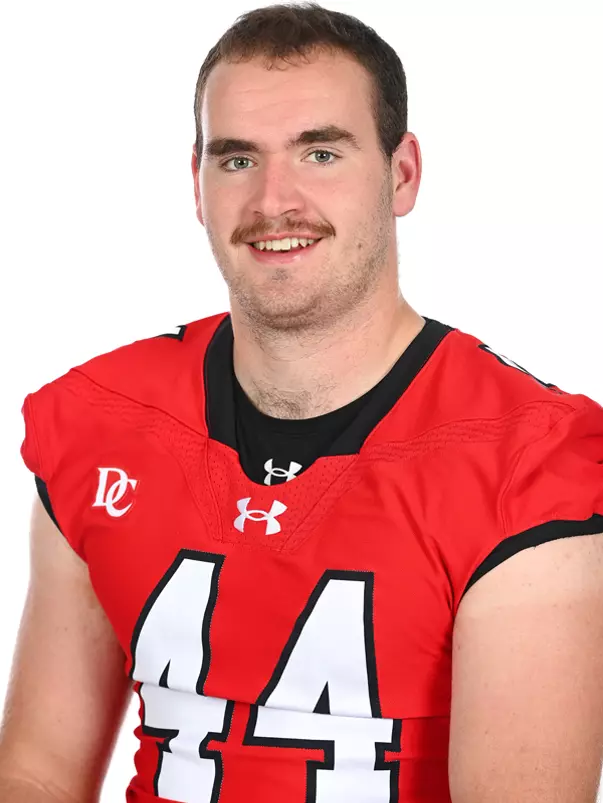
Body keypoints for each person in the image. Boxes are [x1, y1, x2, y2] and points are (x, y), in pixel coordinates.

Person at [2, 2, 603, 801]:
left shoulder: (529, 463)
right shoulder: (100, 418)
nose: (273, 201)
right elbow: (37, 769)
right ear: (197, 181)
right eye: (237, 159)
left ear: (401, 174)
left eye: (320, 152)